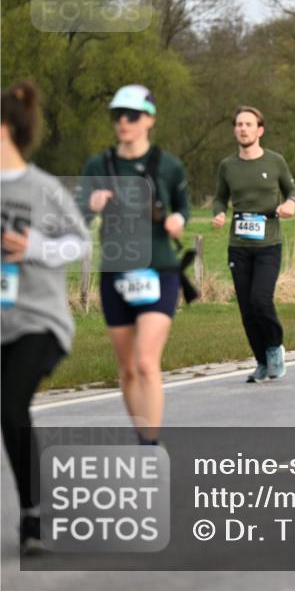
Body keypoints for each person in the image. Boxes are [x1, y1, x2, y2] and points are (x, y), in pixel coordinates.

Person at [2, 81, 91, 553]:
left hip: (40, 320)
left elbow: (81, 242)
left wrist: (35, 247)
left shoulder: (42, 188)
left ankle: (33, 519)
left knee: (11, 407)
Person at [77, 85, 190, 446]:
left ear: (149, 120)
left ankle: (150, 446)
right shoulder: (99, 165)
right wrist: (90, 205)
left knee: (145, 362)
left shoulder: (168, 165)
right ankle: (142, 434)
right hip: (116, 274)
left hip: (160, 271)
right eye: (117, 116)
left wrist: (178, 220)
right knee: (126, 370)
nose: (123, 122)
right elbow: (75, 214)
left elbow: (183, 205)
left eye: (132, 115)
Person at [212, 106, 295, 381]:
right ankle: (261, 362)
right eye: (239, 124)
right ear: (234, 130)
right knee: (247, 309)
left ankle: (274, 348)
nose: (243, 129)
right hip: (239, 245)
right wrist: (219, 212)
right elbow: (219, 197)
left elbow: (293, 190)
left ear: (259, 130)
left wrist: (289, 204)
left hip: (268, 242)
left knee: (261, 299)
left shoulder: (275, 162)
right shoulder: (227, 166)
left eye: (249, 124)